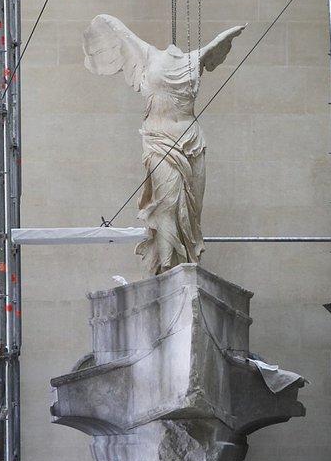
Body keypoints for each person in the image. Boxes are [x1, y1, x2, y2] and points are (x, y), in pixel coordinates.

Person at [83, 14, 246, 275]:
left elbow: (216, 46)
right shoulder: (147, 54)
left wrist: (227, 36)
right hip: (159, 139)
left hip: (191, 141)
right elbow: (108, 24)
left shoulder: (196, 59)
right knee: (166, 202)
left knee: (192, 209)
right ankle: (167, 266)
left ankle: (187, 263)